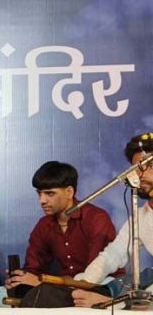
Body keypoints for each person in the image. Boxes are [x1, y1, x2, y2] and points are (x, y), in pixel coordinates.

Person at [5, 161, 118, 297]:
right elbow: (33, 268)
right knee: (16, 291)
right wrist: (21, 278)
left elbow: (95, 273)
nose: (42, 200)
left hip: (101, 286)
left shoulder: (96, 218)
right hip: (64, 288)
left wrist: (42, 283)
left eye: (49, 194)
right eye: (39, 193)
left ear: (69, 192)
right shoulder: (44, 225)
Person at [72, 132, 153, 308]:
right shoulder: (140, 215)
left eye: (149, 165)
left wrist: (109, 302)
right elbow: (113, 254)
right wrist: (85, 283)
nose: (140, 174)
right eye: (136, 168)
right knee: (83, 281)